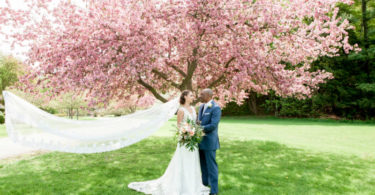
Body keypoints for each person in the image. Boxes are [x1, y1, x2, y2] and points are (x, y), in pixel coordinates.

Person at [128, 90, 210, 195]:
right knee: (183, 161)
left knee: (192, 161)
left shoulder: (194, 109)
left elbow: (195, 123)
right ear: (185, 97)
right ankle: (180, 185)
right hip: (185, 141)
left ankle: (192, 184)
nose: (193, 97)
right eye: (191, 95)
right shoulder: (181, 110)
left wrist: (195, 132)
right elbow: (179, 126)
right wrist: (186, 133)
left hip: (193, 141)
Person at [198, 89, 221, 195]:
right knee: (203, 166)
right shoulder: (201, 107)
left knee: (211, 167)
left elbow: (213, 125)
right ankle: (204, 186)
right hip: (200, 141)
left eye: (202, 94)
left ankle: (214, 191)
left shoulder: (216, 108)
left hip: (210, 142)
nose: (200, 96)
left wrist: (197, 128)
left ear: (209, 96)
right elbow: (198, 121)